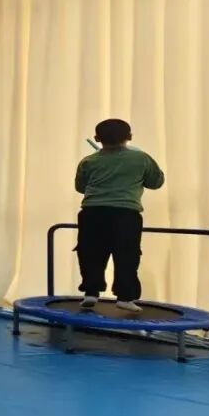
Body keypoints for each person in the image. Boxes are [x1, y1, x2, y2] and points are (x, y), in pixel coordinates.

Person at [74, 119, 165, 312]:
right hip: (126, 214)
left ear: (97, 138)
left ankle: (91, 292)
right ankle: (125, 297)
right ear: (129, 137)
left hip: (92, 213)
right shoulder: (141, 158)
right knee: (127, 255)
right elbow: (156, 182)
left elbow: (80, 187)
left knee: (90, 253)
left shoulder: (89, 161)